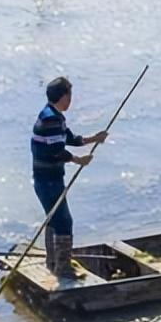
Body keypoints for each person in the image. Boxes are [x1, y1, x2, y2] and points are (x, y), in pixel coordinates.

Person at [31, 77, 107, 279]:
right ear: (63, 96)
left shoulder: (54, 115)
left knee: (54, 219)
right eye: (70, 95)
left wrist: (94, 138)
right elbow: (57, 150)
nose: (71, 99)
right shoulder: (51, 119)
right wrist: (78, 160)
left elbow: (69, 139)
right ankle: (63, 268)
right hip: (48, 180)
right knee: (63, 221)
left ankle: (54, 262)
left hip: (47, 179)